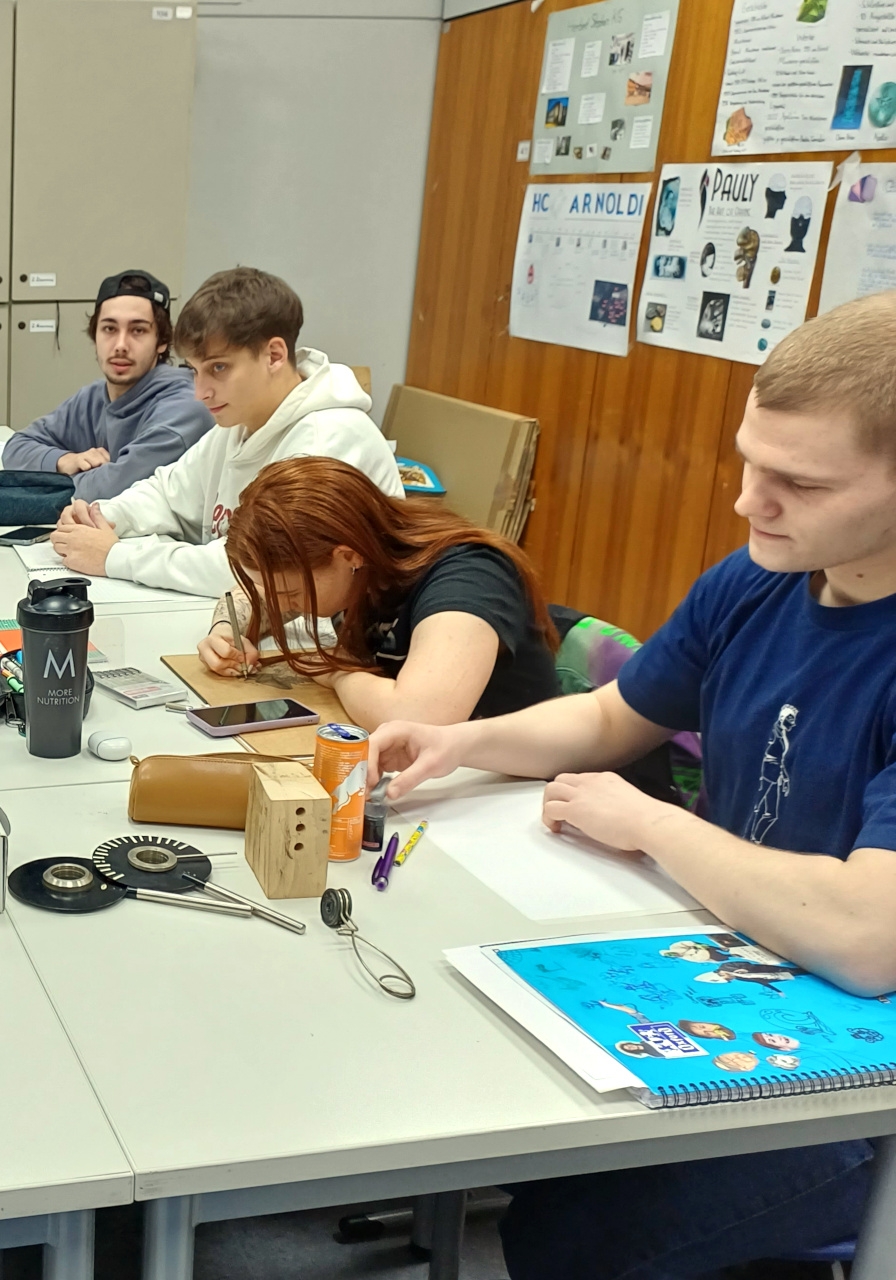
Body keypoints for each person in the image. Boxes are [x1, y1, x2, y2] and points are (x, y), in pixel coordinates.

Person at [373, 293, 896, 1279]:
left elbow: (871, 937)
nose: (750, 502)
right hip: (743, 969)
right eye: (749, 461)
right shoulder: (762, 577)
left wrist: (655, 824)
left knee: (578, 1231)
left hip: (858, 1088)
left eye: (798, 482)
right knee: (536, 1149)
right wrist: (459, 738)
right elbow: (617, 716)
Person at [50, 266, 402, 597]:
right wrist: (101, 516)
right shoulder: (242, 421)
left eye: (218, 367)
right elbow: (168, 492)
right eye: (195, 369)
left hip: (335, 644)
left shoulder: (328, 440)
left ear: (274, 355)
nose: (200, 391)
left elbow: (257, 569)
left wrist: (114, 557)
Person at [199, 456, 560, 730]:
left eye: (292, 593)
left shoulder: (468, 577)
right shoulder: (366, 556)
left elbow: (417, 720)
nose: (281, 605)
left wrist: (338, 671)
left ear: (347, 556)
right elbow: (256, 595)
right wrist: (227, 632)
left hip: (513, 792)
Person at [0, 269, 214, 508]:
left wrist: (44, 480)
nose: (121, 345)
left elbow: (112, 489)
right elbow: (16, 447)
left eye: (138, 330)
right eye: (110, 329)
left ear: (162, 342)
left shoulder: (186, 405)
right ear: (95, 336)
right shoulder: (93, 398)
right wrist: (63, 461)